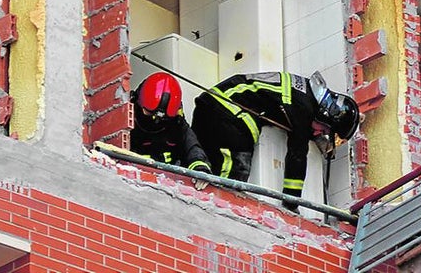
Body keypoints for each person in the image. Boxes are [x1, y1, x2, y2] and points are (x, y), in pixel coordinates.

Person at [191, 70, 360, 209]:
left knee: (209, 162)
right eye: (324, 130)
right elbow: (297, 156)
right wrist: (291, 202)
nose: (319, 134)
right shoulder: (304, 108)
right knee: (237, 164)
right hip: (224, 109)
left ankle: (198, 197)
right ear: (324, 116)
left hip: (212, 106)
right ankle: (219, 208)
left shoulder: (306, 93)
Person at [130, 72, 212, 175]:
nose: (155, 120)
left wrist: (200, 168)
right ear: (138, 101)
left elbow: (192, 147)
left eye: (163, 118)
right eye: (149, 112)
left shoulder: (177, 122)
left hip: (170, 183)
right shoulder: (126, 118)